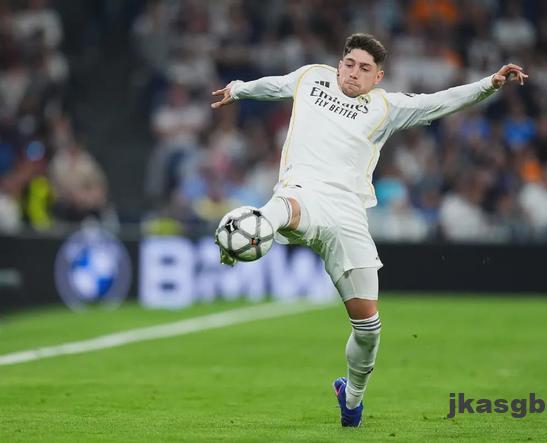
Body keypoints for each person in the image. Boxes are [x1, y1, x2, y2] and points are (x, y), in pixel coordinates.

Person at [211, 33, 527, 427]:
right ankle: (240, 238)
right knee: (278, 210)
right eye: (349, 64)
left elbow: (440, 101)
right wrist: (239, 89)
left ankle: (352, 396)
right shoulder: (311, 77)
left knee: (368, 328)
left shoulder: (386, 107)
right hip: (301, 192)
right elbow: (274, 85)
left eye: (364, 69)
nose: (353, 73)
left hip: (348, 215)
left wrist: (490, 84)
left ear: (377, 77)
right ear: (339, 63)